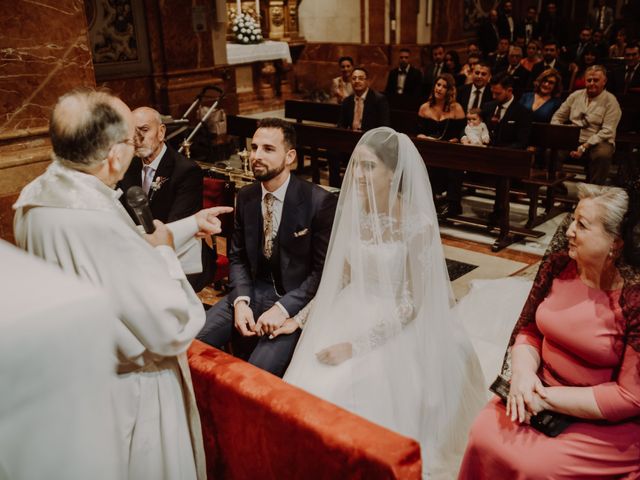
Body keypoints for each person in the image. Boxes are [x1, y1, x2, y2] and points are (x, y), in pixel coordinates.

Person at [13, 88, 233, 479]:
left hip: (79, 382)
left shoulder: (38, 198)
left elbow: (124, 253)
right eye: (132, 139)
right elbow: (170, 327)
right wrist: (166, 254)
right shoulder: (96, 221)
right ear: (115, 155)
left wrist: (188, 226)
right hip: (134, 391)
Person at [283, 127, 486, 479]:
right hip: (350, 306)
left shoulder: (416, 224)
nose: (357, 175)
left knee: (348, 387)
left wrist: (356, 346)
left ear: (392, 173)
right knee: (310, 390)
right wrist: (300, 318)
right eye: (355, 165)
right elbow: (340, 280)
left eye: (368, 167)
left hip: (396, 320)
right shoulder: (351, 214)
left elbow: (413, 303)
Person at [459, 184, 640, 479]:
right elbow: (530, 328)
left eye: (582, 225)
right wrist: (523, 374)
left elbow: (630, 396)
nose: (568, 231)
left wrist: (545, 398)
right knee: (482, 434)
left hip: (601, 422)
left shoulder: (632, 300)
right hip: (536, 391)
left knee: (536, 467)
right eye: (572, 220)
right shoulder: (559, 266)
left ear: (615, 244)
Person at [197, 118, 337, 377]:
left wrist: (283, 308)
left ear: (290, 157)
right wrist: (240, 300)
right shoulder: (248, 196)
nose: (256, 156)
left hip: (292, 300)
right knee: (192, 346)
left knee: (255, 376)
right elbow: (237, 256)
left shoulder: (319, 202)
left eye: (268, 149)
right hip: (249, 291)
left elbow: (322, 272)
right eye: (254, 148)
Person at [119, 106, 214, 292]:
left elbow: (177, 227)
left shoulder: (186, 171)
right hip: (139, 252)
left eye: (144, 130)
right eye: (132, 132)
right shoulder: (127, 167)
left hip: (182, 255)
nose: (138, 139)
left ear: (161, 132)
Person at [551, 65, 621, 185]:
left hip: (599, 141)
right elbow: (557, 117)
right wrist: (562, 134)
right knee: (551, 150)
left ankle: (593, 194)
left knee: (602, 155)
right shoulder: (575, 96)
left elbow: (608, 130)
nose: (592, 83)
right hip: (573, 137)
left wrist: (584, 146)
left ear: (604, 81)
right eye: (589, 80)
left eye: (596, 80)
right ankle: (557, 189)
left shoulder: (611, 101)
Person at [417, 73, 466, 142]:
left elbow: (462, 132)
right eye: (438, 85)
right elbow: (418, 132)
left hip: (450, 148)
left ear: (450, 90)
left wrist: (456, 139)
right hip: (427, 145)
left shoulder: (457, 108)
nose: (439, 89)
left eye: (444, 87)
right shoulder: (424, 107)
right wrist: (422, 136)